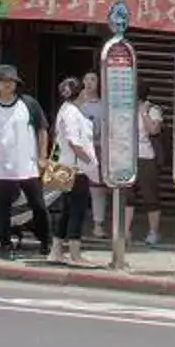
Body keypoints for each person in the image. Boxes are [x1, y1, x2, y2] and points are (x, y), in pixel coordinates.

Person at [0, 64, 51, 259]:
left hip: (27, 163)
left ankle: (47, 241)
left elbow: (42, 129)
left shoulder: (29, 104)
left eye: (11, 81)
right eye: (3, 81)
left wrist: (42, 156)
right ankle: (5, 244)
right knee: (3, 207)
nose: (7, 85)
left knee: (38, 204)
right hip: (1, 164)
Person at [49, 77, 98, 266]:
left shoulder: (67, 110)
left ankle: (56, 250)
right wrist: (89, 160)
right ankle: (75, 254)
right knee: (77, 209)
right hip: (75, 168)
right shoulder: (71, 113)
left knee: (68, 209)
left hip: (65, 165)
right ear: (82, 93)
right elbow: (73, 141)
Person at [78, 72, 107, 236]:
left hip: (97, 148)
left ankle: (98, 224)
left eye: (93, 79)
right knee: (77, 188)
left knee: (97, 189)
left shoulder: (103, 105)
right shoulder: (76, 104)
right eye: (87, 79)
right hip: (77, 150)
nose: (89, 83)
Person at [134, 93, 165, 246]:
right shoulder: (124, 107)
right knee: (126, 195)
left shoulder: (153, 109)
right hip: (127, 156)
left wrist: (143, 113)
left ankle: (153, 231)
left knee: (150, 195)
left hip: (147, 156)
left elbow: (154, 130)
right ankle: (124, 231)